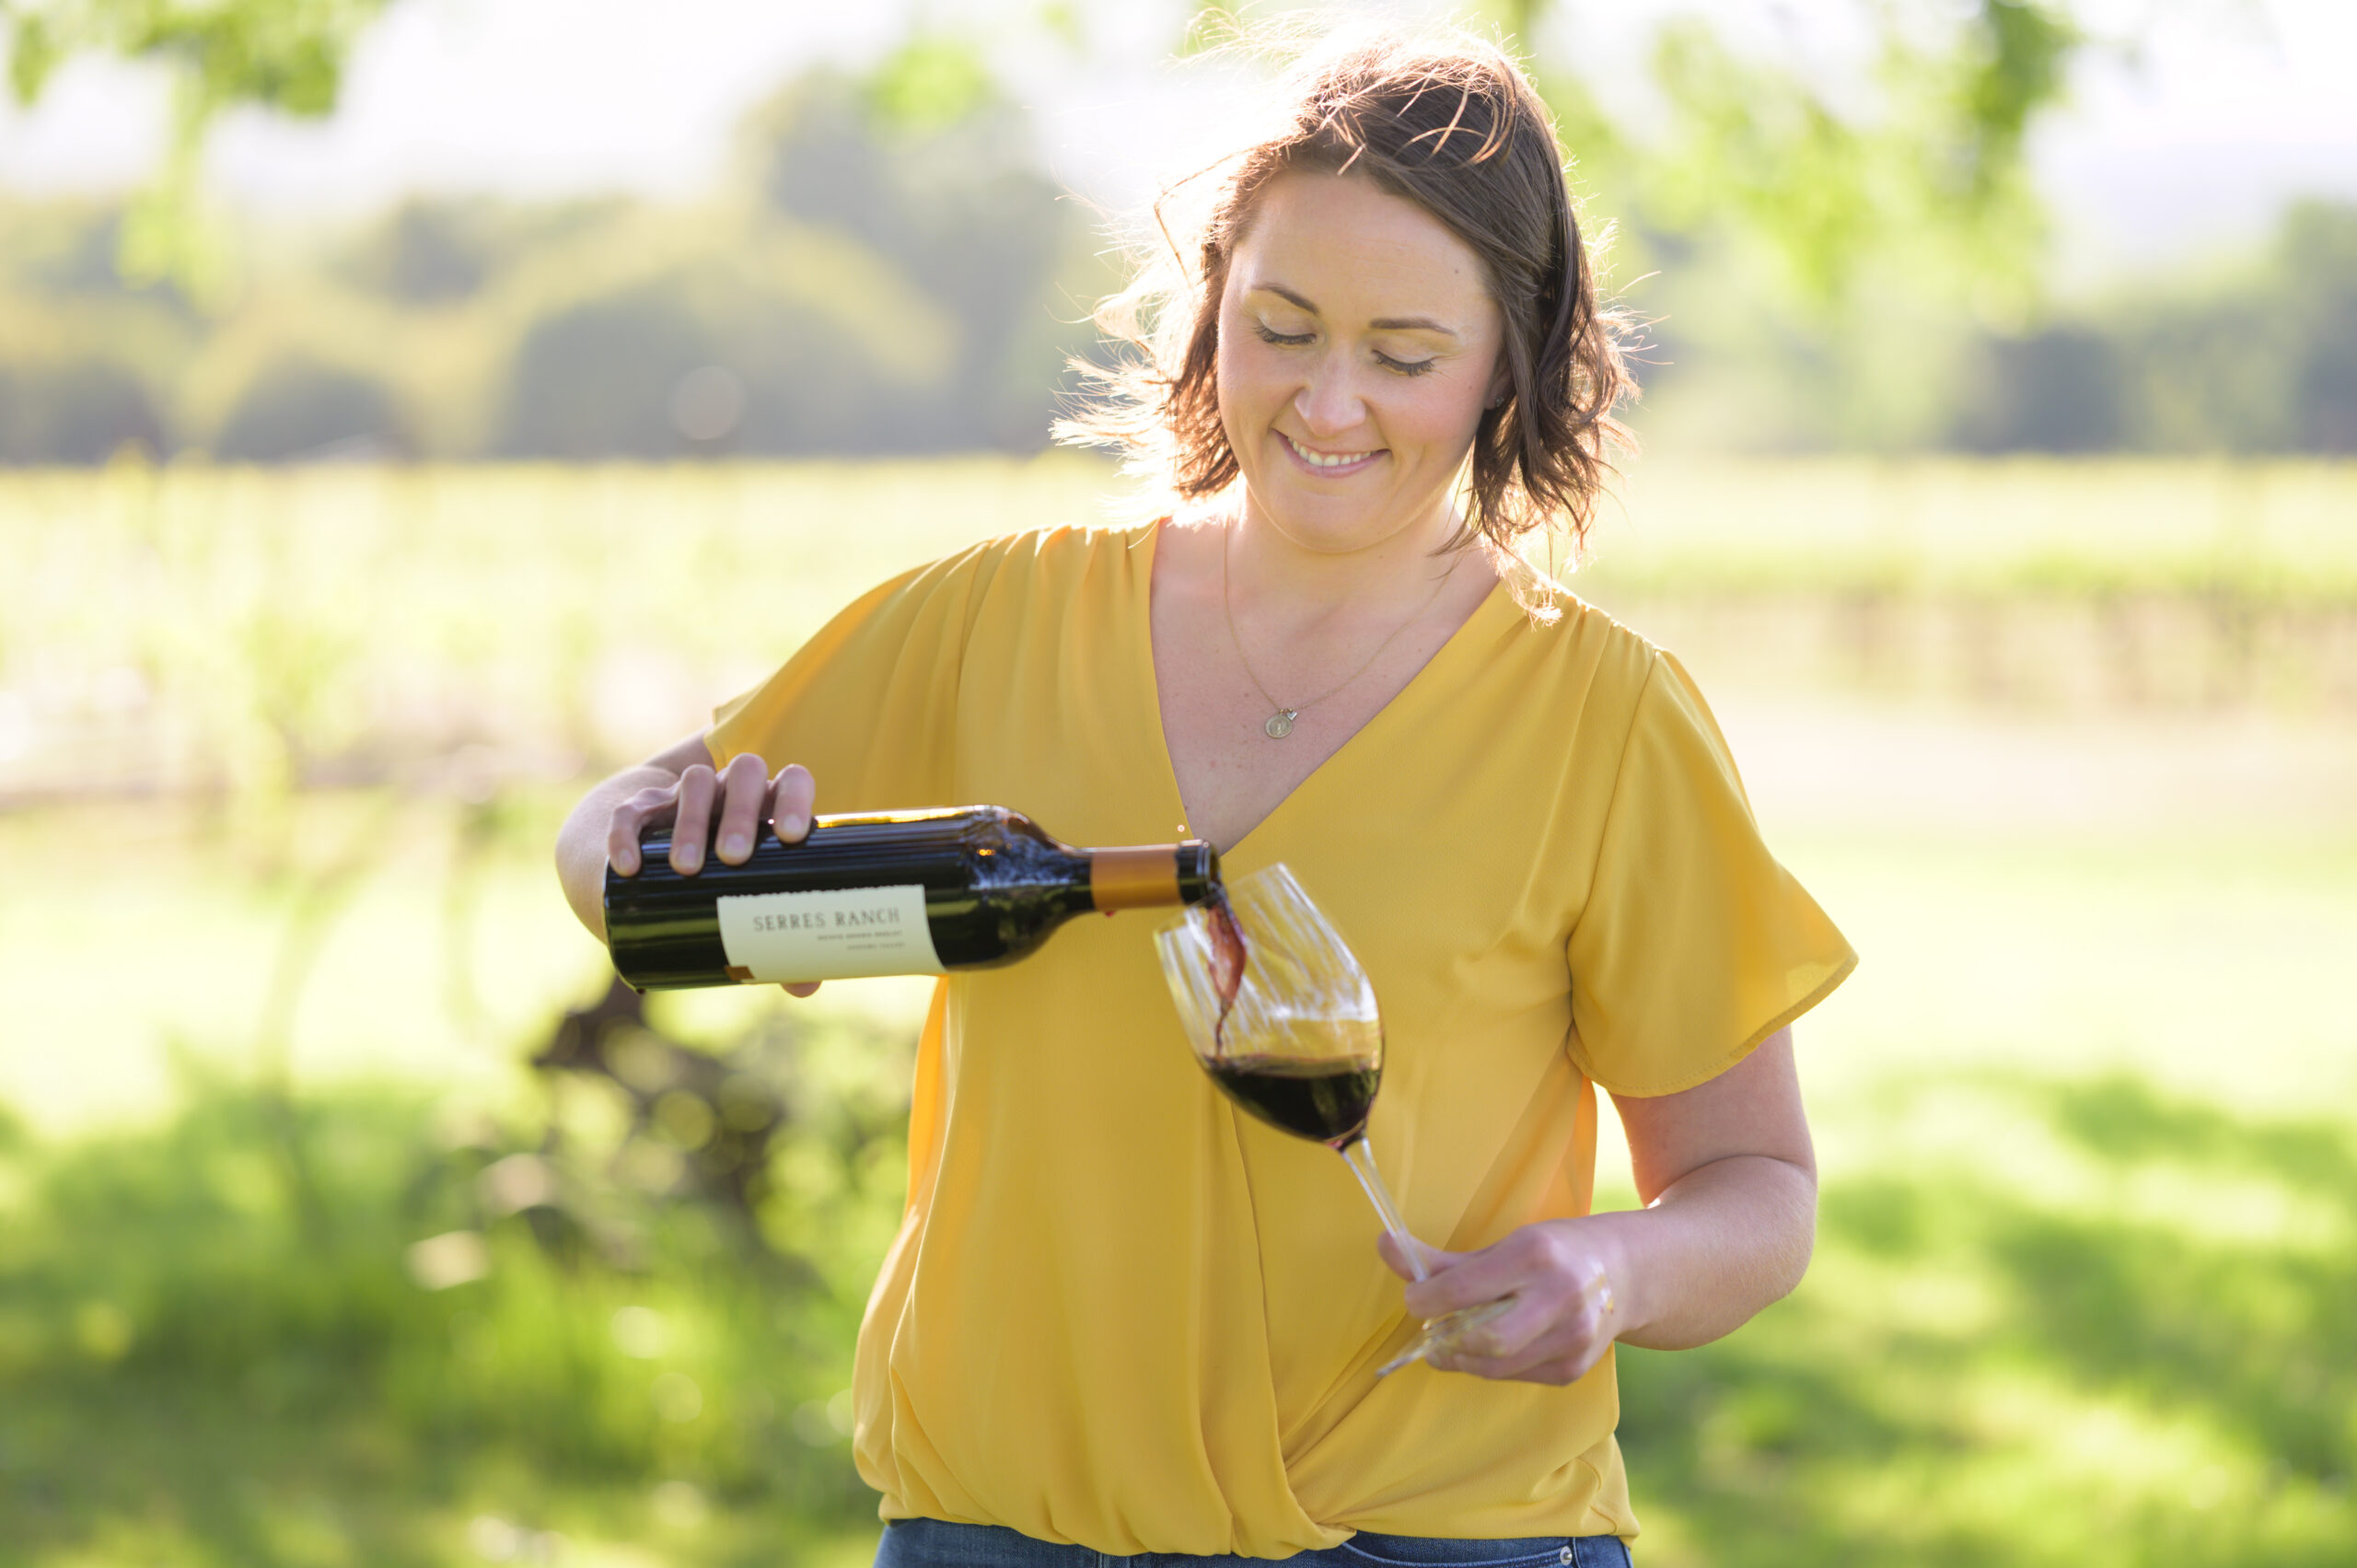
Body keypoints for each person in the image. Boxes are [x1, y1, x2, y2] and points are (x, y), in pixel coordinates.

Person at [556, 23, 1854, 1567]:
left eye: (1405, 355)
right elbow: (610, 854)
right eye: (1283, 327)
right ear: (1212, 306)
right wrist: (643, 847)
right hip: (999, 1528)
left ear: (1511, 359)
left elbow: (1755, 1192)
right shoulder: (1000, 620)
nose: (1328, 403)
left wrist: (1613, 1272)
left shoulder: (1604, 720)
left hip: (1430, 1541)